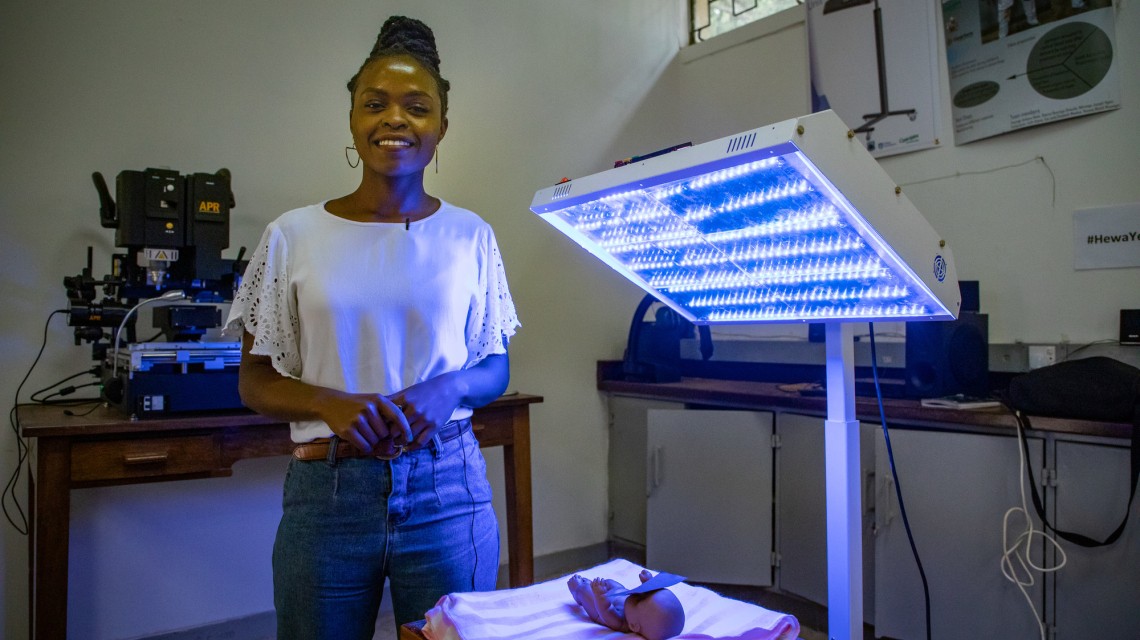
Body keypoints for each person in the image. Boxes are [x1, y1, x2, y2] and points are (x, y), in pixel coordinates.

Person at [226, 15, 519, 640]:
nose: (395, 119)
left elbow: (495, 367)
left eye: (418, 106)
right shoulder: (291, 235)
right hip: (328, 492)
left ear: (442, 127)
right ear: (353, 118)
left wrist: (450, 387)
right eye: (375, 103)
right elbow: (254, 380)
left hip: (447, 487)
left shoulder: (471, 235)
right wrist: (325, 402)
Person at [567, 570, 686, 640]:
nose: (639, 593)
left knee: (585, 591)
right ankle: (596, 586)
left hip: (599, 607)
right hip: (617, 594)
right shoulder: (636, 612)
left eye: (639, 600)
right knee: (611, 583)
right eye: (649, 592)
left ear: (634, 626)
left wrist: (600, 595)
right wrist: (648, 582)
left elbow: (605, 608)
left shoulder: (621, 622)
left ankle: (577, 592)